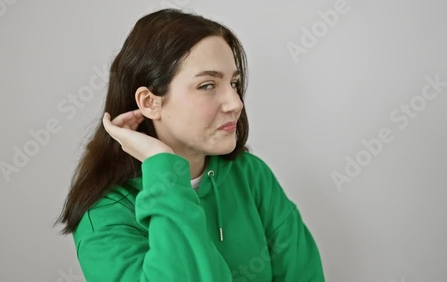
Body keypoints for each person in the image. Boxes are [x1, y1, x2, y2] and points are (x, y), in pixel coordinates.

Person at [57, 8, 325, 282]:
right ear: (150, 102)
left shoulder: (252, 175)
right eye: (208, 85)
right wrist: (161, 164)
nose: (236, 103)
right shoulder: (106, 215)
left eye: (234, 83)